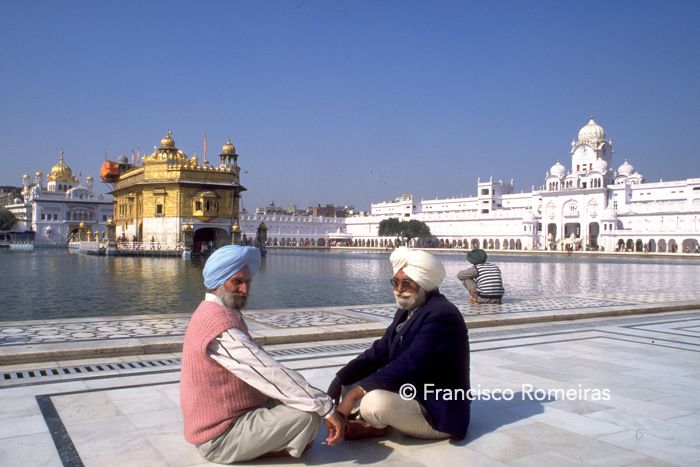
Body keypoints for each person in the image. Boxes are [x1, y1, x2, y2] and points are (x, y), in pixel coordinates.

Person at [180, 245, 345, 463]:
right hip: (219, 438)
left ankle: (279, 442)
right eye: (237, 282)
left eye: (247, 282)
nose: (245, 289)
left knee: (301, 400)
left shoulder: (215, 311)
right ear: (218, 282)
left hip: (237, 415)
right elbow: (266, 371)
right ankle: (277, 447)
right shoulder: (218, 326)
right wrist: (326, 407)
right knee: (308, 416)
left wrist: (313, 400)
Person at [327, 247, 470, 441]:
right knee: (352, 381)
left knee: (373, 402)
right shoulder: (408, 309)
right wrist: (340, 379)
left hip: (437, 412)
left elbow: (412, 363)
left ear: (424, 284)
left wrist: (355, 394)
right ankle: (368, 421)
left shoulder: (442, 314)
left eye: (407, 284)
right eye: (396, 282)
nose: (399, 289)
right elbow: (381, 350)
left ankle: (373, 424)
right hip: (412, 391)